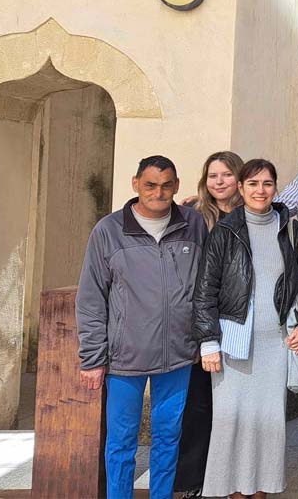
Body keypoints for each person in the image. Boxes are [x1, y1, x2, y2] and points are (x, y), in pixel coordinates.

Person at [76, 155, 207, 499]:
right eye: (150, 185)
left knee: (168, 437)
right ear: (135, 184)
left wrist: (202, 340)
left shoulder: (193, 224)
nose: (158, 193)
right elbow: (91, 297)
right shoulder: (108, 229)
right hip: (124, 358)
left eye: (166, 185)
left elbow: (207, 284)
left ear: (177, 186)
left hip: (178, 355)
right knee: (121, 441)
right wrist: (92, 358)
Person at [193, 159, 298, 498]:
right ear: (242, 189)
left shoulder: (290, 228)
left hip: (276, 342)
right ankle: (233, 491)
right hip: (234, 341)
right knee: (231, 421)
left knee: (268, 423)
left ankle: (261, 490)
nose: (260, 191)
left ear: (275, 187)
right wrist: (208, 342)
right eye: (253, 184)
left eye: (266, 183)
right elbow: (206, 289)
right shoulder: (225, 231)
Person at [176, 150, 244, 499]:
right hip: (203, 321)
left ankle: (233, 475)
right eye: (213, 176)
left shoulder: (255, 216)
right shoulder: (194, 217)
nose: (219, 182)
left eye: (227, 175)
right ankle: (191, 481)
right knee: (199, 403)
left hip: (241, 323)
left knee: (233, 404)